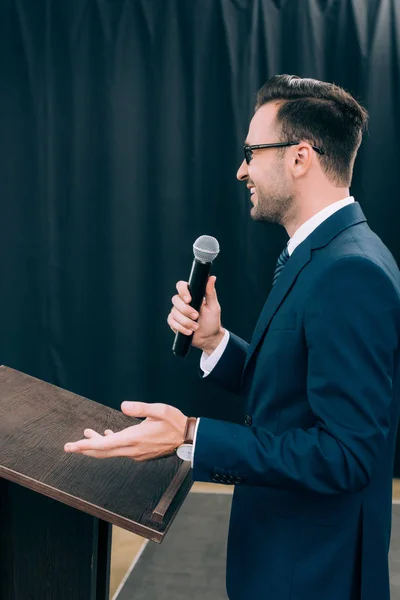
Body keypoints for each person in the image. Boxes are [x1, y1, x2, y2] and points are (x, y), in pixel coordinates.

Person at [65, 75, 400, 600]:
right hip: (283, 555)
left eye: (251, 151)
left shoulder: (350, 270)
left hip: (312, 574)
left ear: (299, 157)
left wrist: (190, 434)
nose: (242, 168)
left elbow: (346, 454)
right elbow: (294, 396)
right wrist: (215, 341)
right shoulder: (324, 252)